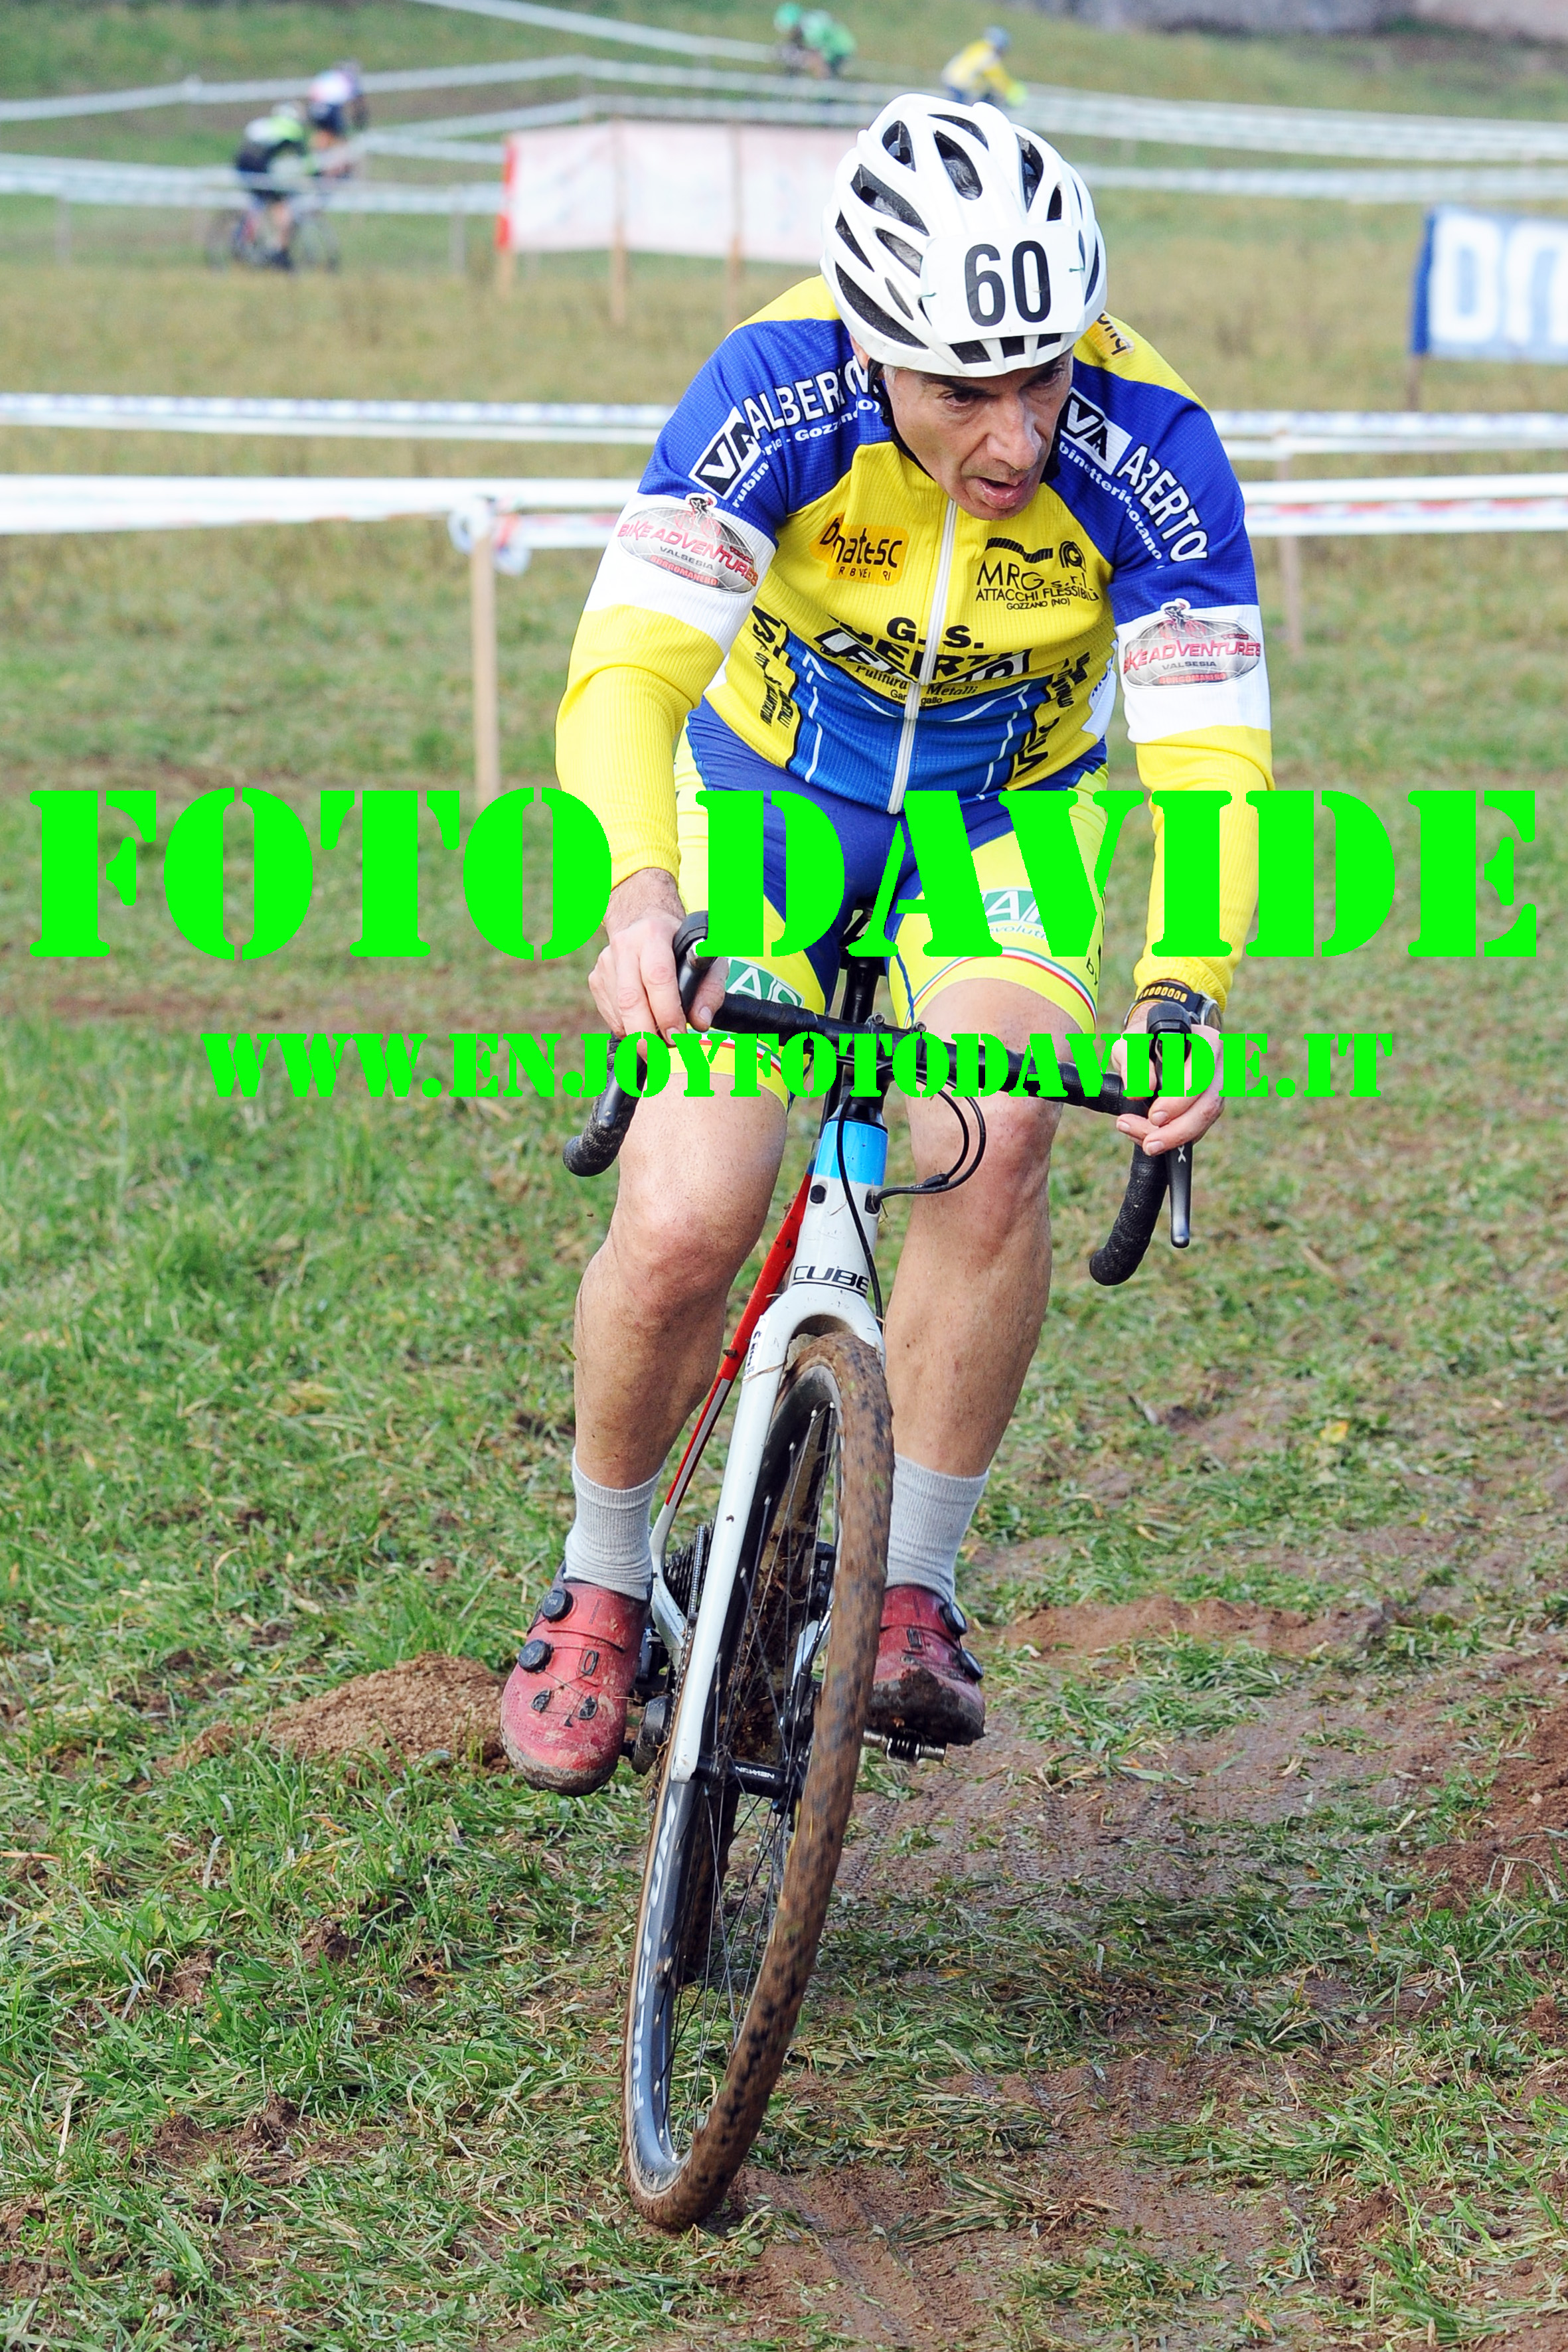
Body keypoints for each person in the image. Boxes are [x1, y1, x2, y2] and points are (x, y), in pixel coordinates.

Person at [501, 94, 1271, 1796]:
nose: (1015, 434)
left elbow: (1210, 755)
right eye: (961, 390)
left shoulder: (1150, 443)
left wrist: (1184, 986)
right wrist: (637, 889)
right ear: (870, 344)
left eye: (1040, 376)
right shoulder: (772, 388)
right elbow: (627, 669)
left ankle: (907, 1579)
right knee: (690, 1207)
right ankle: (603, 1579)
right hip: (765, 800)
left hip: (1003, 825)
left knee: (992, 1129)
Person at [943, 26, 1026, 109]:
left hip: (953, 77)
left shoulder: (980, 47)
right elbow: (995, 75)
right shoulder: (989, 54)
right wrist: (1007, 89)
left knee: (961, 105)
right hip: (960, 81)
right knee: (960, 109)